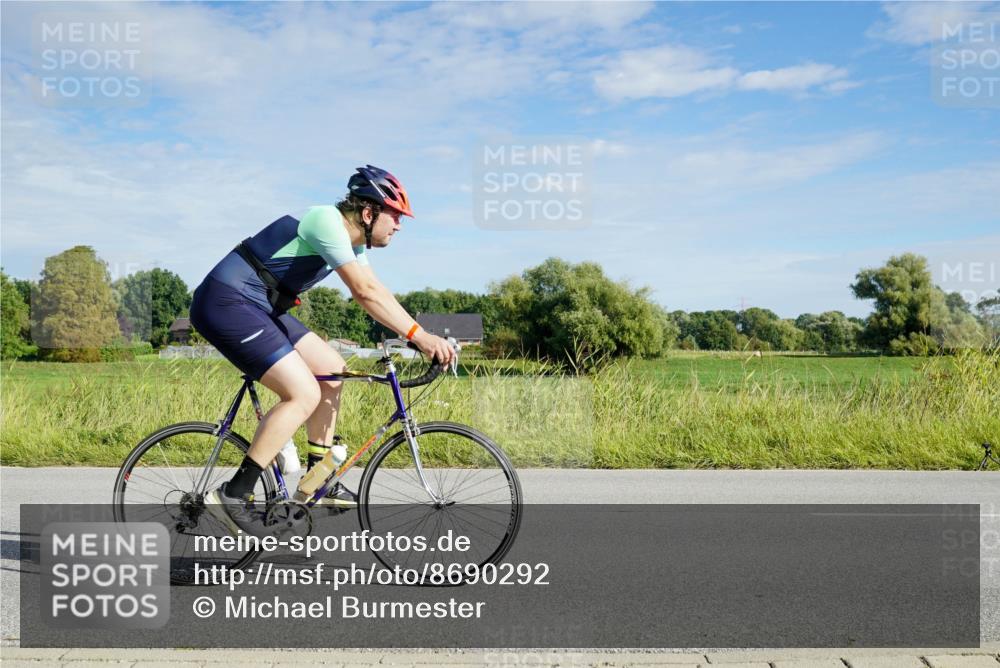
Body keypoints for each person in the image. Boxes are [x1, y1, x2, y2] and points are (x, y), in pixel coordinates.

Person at [189, 165, 455, 536]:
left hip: (259, 305)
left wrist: (417, 333)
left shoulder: (353, 241)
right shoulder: (325, 221)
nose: (399, 226)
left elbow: (374, 290)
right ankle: (235, 493)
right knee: (303, 392)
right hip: (225, 301)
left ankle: (319, 477)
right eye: (395, 216)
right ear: (368, 213)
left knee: (332, 367)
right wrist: (421, 337)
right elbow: (364, 292)